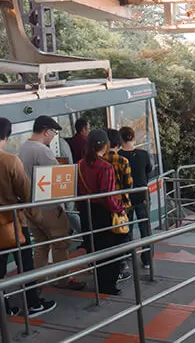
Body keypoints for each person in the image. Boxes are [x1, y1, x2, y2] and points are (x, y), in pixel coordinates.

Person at [0, 115, 57, 318]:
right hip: (14, 223)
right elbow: (26, 193)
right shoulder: (9, 161)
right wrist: (39, 219)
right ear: (5, 136)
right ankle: (33, 304)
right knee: (26, 264)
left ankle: (0, 305)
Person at [19, 116, 85, 291]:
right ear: (46, 131)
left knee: (40, 245)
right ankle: (63, 279)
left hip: (31, 207)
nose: (53, 136)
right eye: (54, 133)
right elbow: (57, 177)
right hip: (48, 207)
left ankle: (39, 280)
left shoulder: (24, 147)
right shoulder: (43, 150)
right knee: (60, 244)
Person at [77, 130, 125, 295]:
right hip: (103, 213)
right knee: (110, 251)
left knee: (95, 249)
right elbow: (108, 197)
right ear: (106, 145)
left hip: (85, 211)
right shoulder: (106, 167)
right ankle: (108, 285)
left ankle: (99, 281)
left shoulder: (80, 164)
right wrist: (120, 209)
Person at [118, 126, 153, 268]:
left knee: (126, 229)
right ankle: (147, 260)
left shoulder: (118, 156)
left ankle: (126, 257)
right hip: (142, 195)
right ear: (133, 138)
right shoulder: (143, 154)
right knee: (145, 228)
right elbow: (148, 171)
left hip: (125, 197)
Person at [103, 129, 133, 280]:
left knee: (108, 236)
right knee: (121, 235)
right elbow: (129, 184)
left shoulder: (99, 160)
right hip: (120, 204)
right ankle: (121, 265)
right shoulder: (122, 161)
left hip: (104, 205)